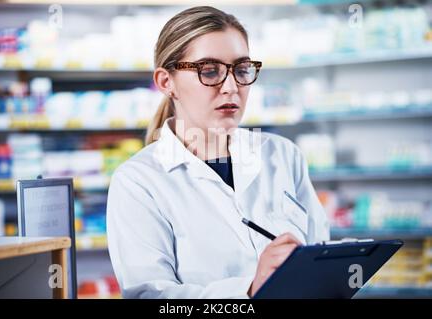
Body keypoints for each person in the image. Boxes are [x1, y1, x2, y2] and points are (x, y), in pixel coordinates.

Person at [107, 6, 330, 299]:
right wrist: (247, 291)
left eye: (241, 70)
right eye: (209, 71)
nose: (231, 87)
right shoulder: (138, 182)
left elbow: (320, 259)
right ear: (166, 82)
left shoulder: (283, 155)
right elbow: (151, 298)